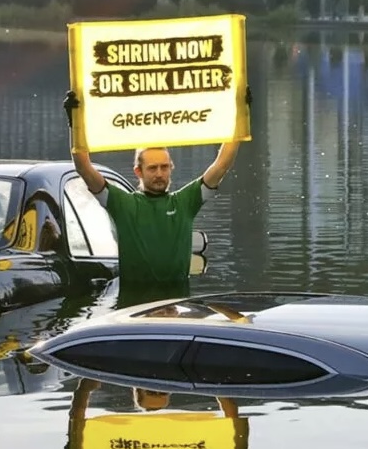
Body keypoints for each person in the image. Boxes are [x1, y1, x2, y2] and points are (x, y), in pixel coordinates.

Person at [62, 88, 248, 302]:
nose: (159, 174)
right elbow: (84, 168)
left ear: (171, 167)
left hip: (176, 312)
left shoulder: (185, 202)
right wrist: (75, 123)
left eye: (164, 167)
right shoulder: (123, 204)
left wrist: (240, 113)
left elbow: (222, 164)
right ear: (138, 172)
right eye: (152, 168)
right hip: (133, 314)